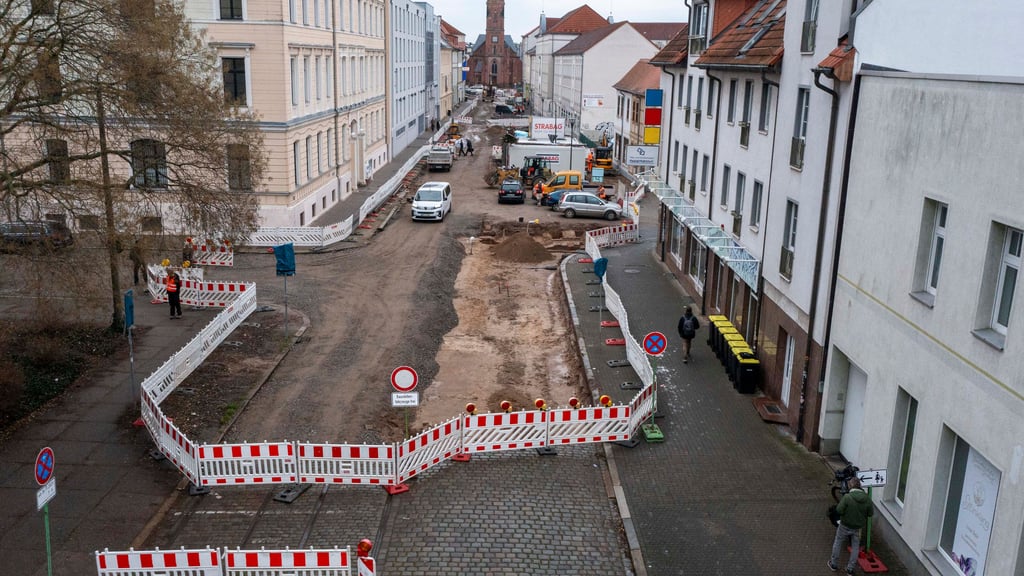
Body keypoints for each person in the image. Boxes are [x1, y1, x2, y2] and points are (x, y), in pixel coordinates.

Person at [828, 476, 874, 574]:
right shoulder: (867, 499)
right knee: (855, 546)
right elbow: (870, 513)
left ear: (850, 486)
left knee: (838, 542)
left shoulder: (847, 497)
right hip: (857, 527)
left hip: (844, 524)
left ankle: (834, 564)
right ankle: (850, 569)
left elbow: (839, 510)